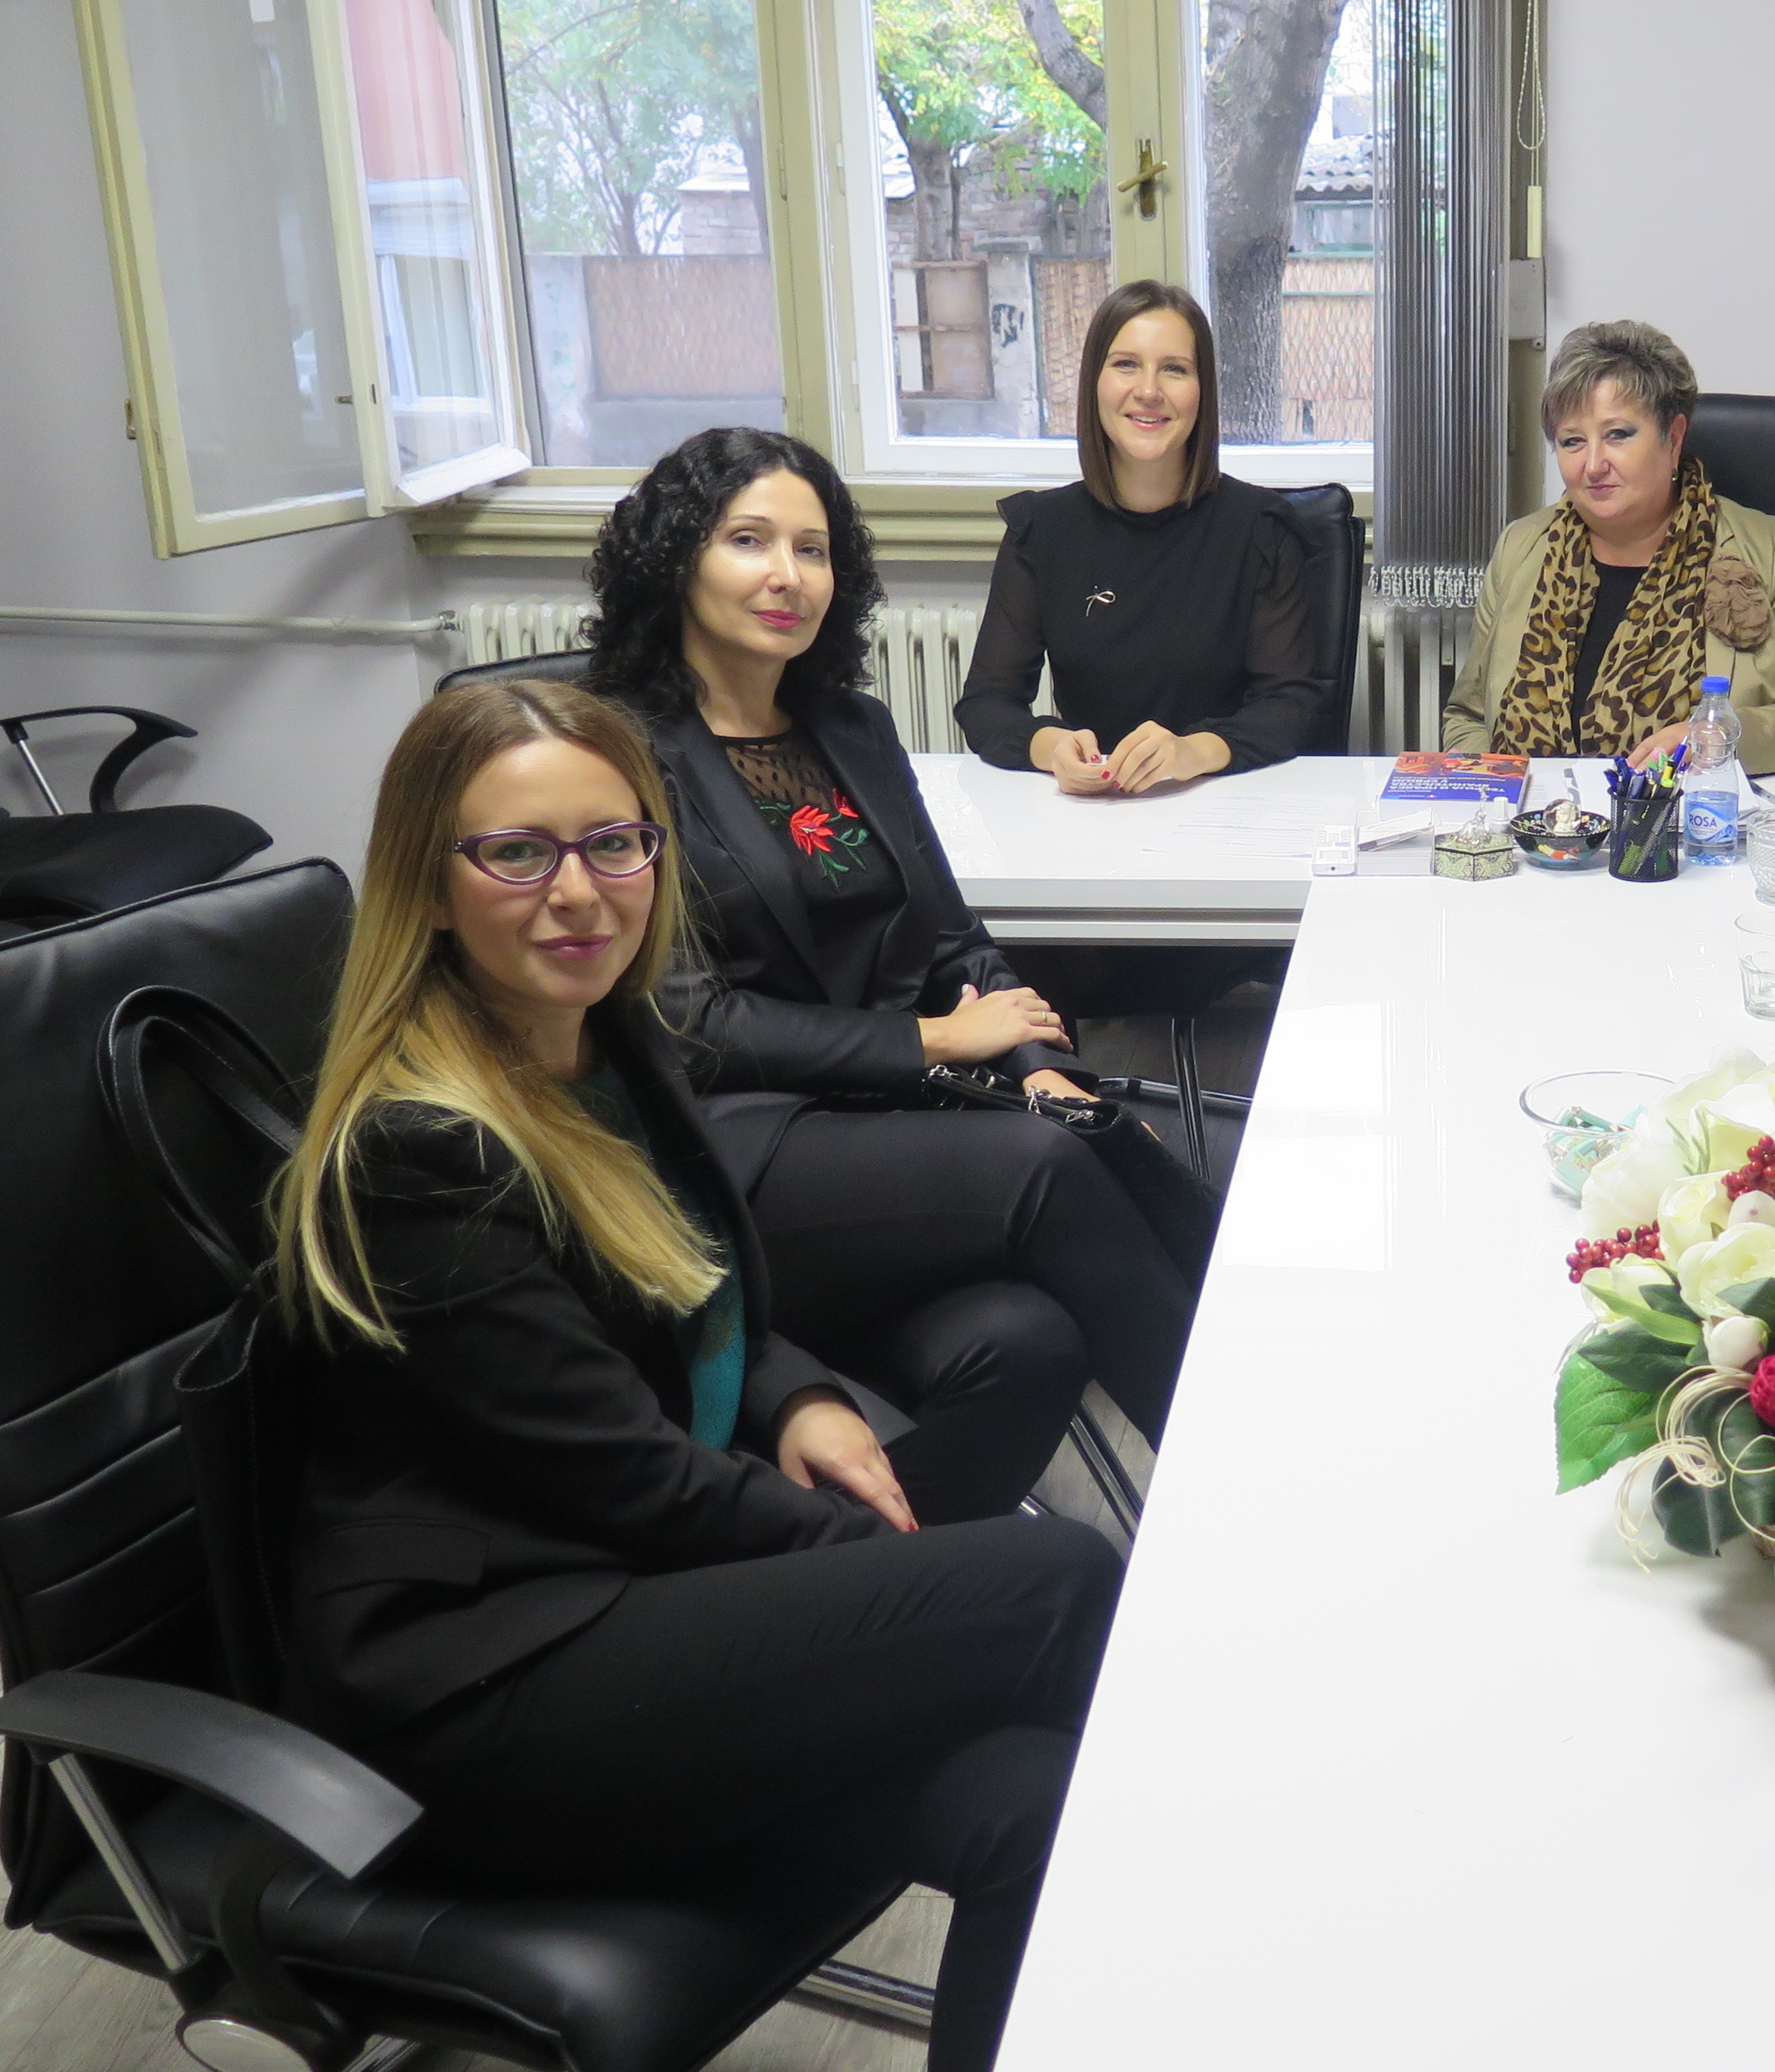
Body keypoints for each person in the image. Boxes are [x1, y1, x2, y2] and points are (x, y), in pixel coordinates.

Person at [269, 680, 1119, 2071]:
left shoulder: (607, 1041)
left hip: (630, 1591)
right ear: (429, 885)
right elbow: (632, 1479)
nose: (578, 892)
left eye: (615, 843)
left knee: (1033, 1797)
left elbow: (686, 1279)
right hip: (485, 1691)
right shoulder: (422, 1145)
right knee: (1057, 1579)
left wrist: (795, 1392)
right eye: (516, 852)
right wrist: (888, 1572)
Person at [584, 427, 1199, 1512]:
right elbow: (688, 1022)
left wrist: (1039, 1068)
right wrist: (935, 1042)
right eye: (748, 541)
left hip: (892, 1133)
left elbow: (953, 941)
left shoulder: (853, 728)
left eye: (813, 549)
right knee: (1052, 1169)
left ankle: (870, 1582)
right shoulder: (617, 752)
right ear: (677, 559)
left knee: (1028, 1341)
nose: (788, 574)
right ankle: (1255, 1484)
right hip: (729, 1149)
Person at [1441, 319, 1775, 775]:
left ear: (1674, 438)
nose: (1593, 465)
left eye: (1618, 434)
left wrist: (1716, 737)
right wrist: (1489, 786)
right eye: (1572, 441)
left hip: (1695, 812)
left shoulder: (1774, 549)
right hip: (1541, 816)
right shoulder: (1520, 547)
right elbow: (1468, 716)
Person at [955, 279, 1324, 795]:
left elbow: (1292, 705)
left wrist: (1191, 752)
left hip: (1225, 800)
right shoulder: (1040, 529)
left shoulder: (1261, 528)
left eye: (1175, 369)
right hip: (1093, 807)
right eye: (1126, 364)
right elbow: (986, 704)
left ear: (1202, 391)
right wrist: (1051, 746)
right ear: (1095, 383)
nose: (1149, 391)